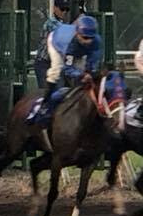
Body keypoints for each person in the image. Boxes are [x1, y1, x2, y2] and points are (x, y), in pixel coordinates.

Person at [34, 15, 104, 145]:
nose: (88, 41)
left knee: (85, 75)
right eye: (85, 37)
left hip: (77, 51)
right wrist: (81, 75)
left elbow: (93, 61)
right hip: (57, 44)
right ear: (77, 33)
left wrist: (89, 72)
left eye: (90, 38)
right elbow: (67, 68)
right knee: (56, 70)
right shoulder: (69, 43)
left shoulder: (96, 42)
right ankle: (45, 105)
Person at [33, 0, 70, 88]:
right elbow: (62, 31)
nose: (64, 12)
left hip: (56, 64)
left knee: (60, 92)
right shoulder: (50, 23)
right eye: (62, 9)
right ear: (55, 8)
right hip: (43, 64)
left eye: (67, 9)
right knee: (46, 91)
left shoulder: (64, 24)